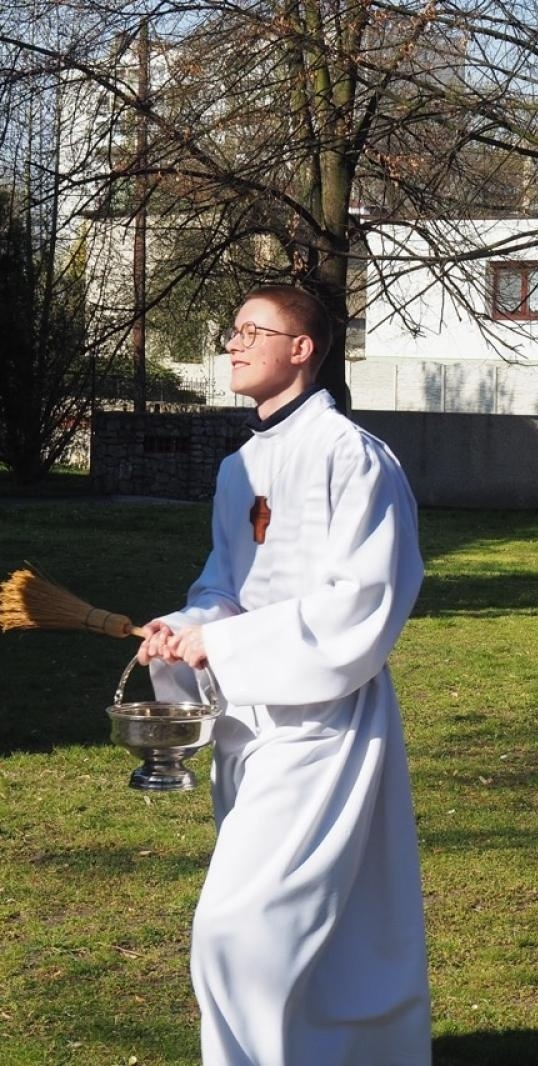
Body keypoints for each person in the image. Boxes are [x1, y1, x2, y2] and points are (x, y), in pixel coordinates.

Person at [138, 285, 431, 1063]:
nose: (231, 344)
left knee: (239, 932)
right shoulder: (241, 467)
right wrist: (188, 627)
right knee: (309, 933)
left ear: (302, 349)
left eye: (249, 331)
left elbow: (363, 607)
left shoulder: (353, 457)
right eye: (230, 330)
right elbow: (225, 586)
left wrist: (225, 648)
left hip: (324, 728)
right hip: (251, 725)